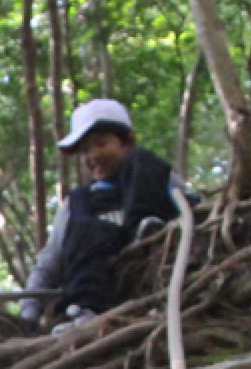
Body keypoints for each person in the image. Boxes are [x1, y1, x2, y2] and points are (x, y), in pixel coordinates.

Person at [19, 97, 186, 330]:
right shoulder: (78, 203)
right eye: (85, 150)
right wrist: (29, 307)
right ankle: (85, 309)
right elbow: (50, 261)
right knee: (84, 222)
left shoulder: (155, 176)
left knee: (143, 160)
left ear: (126, 142)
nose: (93, 156)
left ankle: (146, 228)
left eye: (101, 143)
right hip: (105, 295)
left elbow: (197, 213)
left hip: (154, 281)